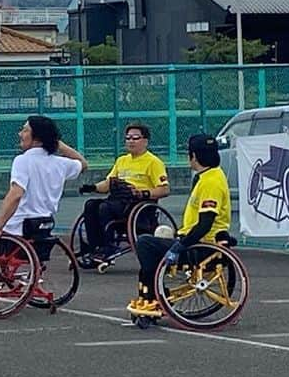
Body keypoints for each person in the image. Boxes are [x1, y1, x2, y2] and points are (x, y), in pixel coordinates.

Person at [0, 115, 88, 262]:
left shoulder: (23, 160)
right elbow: (83, 164)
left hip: (16, 235)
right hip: (41, 232)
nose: (20, 134)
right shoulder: (60, 164)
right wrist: (59, 145)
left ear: (37, 138)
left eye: (25, 130)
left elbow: (16, 195)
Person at [128, 133, 232, 314]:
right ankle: (153, 291)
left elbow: (205, 224)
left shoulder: (211, 182)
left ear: (194, 156)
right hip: (196, 241)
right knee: (159, 235)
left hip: (201, 247)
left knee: (145, 243)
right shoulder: (209, 175)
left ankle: (153, 294)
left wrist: (179, 246)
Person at [76, 122, 170, 265]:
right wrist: (92, 187)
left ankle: (108, 247)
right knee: (91, 205)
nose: (130, 141)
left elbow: (164, 189)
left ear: (145, 141)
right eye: (128, 138)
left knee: (105, 208)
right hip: (117, 199)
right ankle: (95, 247)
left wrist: (143, 193)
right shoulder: (122, 160)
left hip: (137, 203)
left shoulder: (154, 162)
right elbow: (108, 183)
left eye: (135, 138)